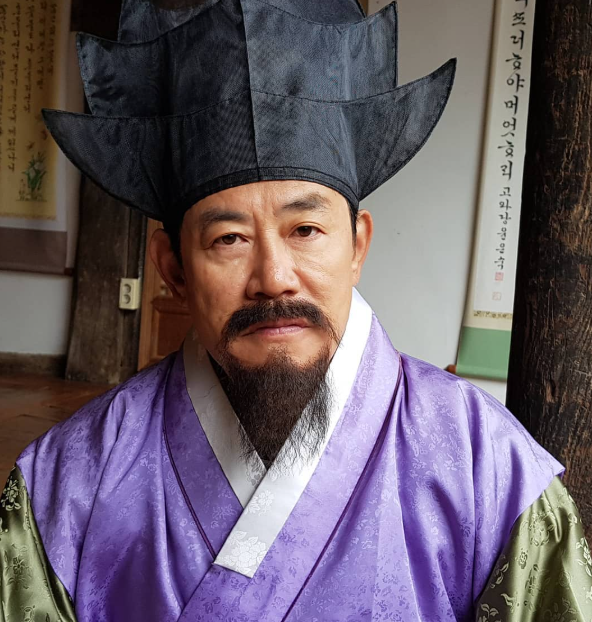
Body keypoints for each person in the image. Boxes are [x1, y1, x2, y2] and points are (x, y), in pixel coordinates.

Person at [1, 0, 591, 620]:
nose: (274, 279)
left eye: (305, 229)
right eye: (229, 239)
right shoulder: (68, 484)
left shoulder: (486, 468)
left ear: (357, 245)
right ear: (172, 268)